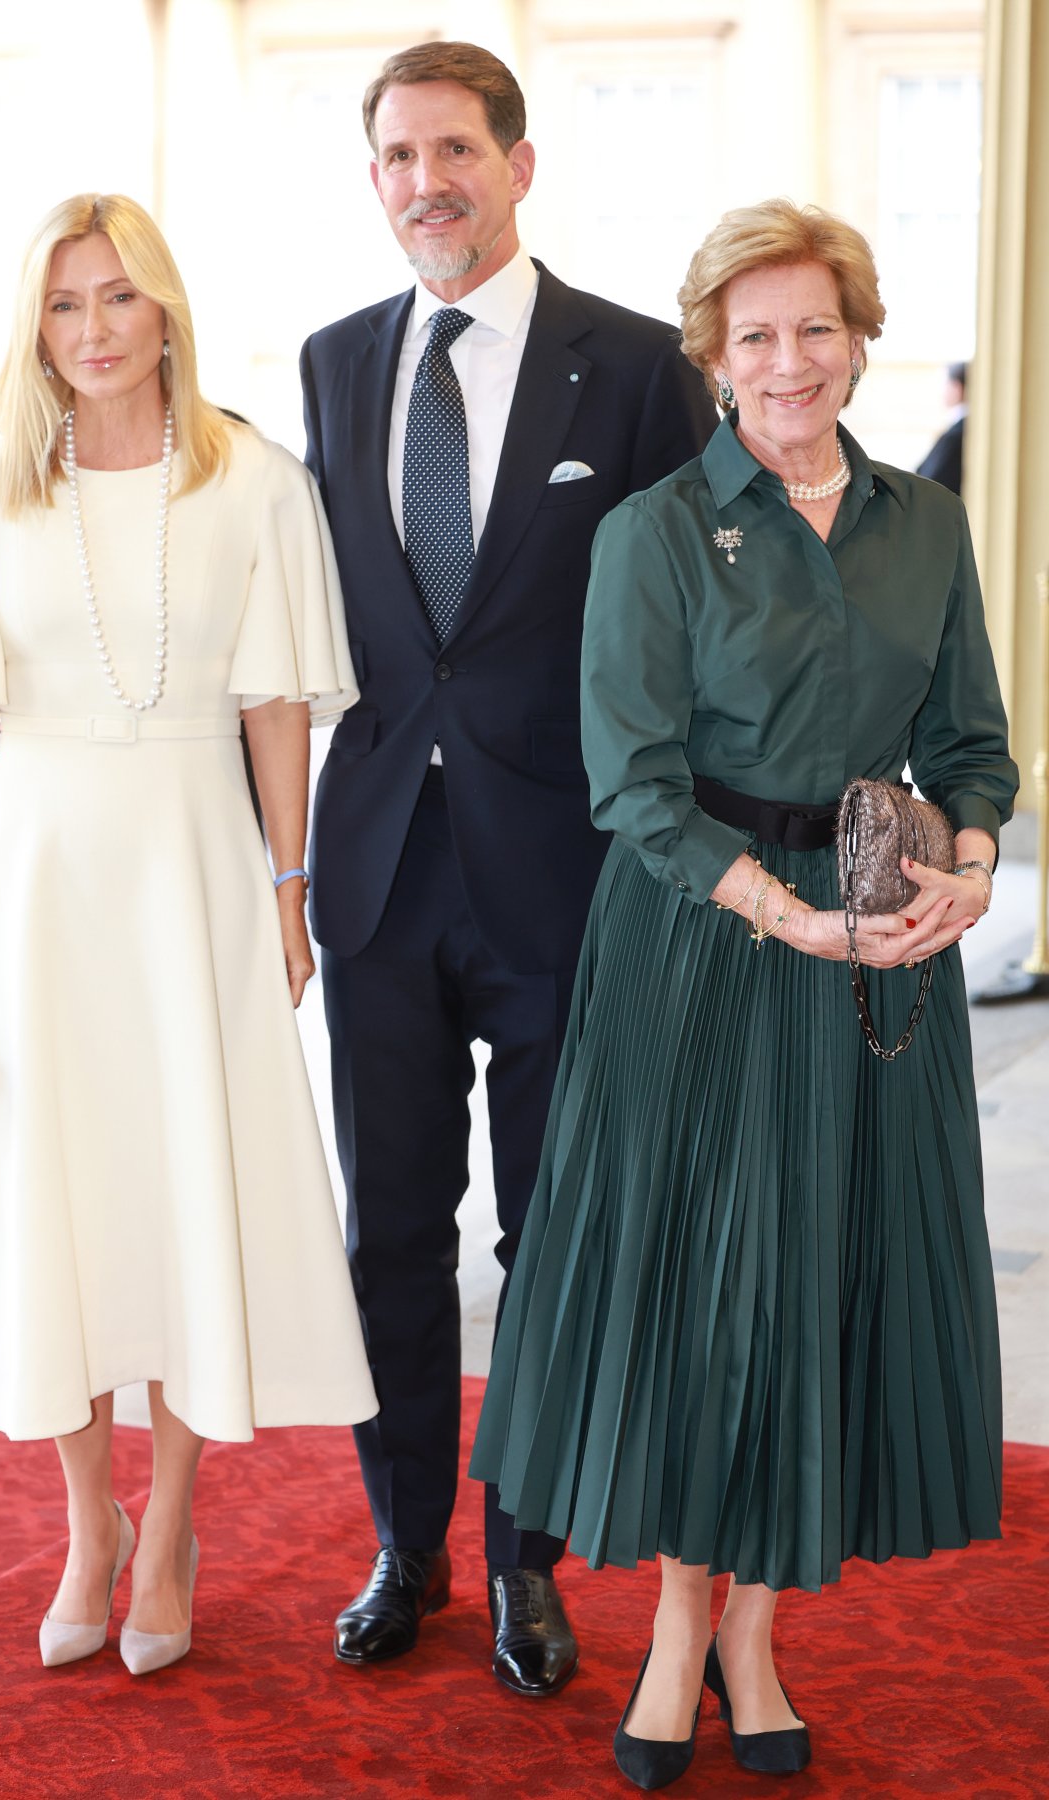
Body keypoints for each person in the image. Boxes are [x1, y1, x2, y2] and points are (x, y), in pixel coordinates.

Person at [471, 199, 1017, 1789]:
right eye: (756, 335)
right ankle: (672, 1635)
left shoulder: (927, 521)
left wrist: (968, 866)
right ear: (714, 358)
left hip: (879, 959)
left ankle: (759, 1639)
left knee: (824, 1297)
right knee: (705, 1308)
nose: (791, 362)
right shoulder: (651, 533)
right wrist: (795, 921)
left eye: (818, 329)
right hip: (707, 950)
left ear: (860, 341)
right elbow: (634, 789)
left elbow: (971, 743)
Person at [0, 193, 377, 1677]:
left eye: (117, 299)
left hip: (197, 874)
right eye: (65, 305)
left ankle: (180, 1525)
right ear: (39, 327)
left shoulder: (254, 480)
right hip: (32, 887)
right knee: (60, 1204)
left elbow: (279, 706)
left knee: (187, 1186)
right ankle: (91, 1522)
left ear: (166, 312)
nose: (92, 331)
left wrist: (291, 891)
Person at [299, 39, 714, 1696]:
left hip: (570, 879)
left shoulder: (627, 366)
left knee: (550, 1236)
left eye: (456, 150)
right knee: (390, 1231)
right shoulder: (334, 365)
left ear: (520, 165)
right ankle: (404, 1545)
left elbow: (685, 615)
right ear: (377, 179)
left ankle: (525, 1557)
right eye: (398, 157)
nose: (427, 183)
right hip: (385, 873)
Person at [917, 361, 968, 494]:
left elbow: (931, 478)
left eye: (946, 384)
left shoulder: (957, 433)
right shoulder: (958, 429)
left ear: (957, 388)